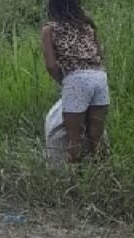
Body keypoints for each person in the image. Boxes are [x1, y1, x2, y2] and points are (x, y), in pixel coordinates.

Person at [41, 0, 109, 163]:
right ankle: (103, 174)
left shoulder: (49, 30)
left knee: (74, 139)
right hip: (99, 77)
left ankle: (73, 181)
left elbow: (51, 66)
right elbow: (100, 55)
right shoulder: (88, 25)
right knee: (96, 137)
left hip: (76, 79)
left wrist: (65, 81)